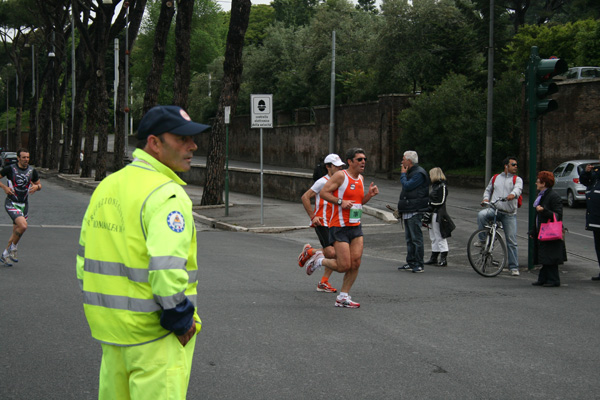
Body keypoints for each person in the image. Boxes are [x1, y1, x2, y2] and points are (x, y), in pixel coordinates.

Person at [76, 105, 209, 399]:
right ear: (154, 143)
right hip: (154, 337)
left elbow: (83, 261)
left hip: (111, 334)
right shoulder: (167, 195)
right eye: (182, 138)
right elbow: (166, 269)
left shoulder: (107, 186)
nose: (193, 146)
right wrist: (181, 319)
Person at [300, 148, 379, 308]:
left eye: (364, 159)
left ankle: (343, 296)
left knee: (355, 262)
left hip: (355, 225)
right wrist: (339, 202)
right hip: (339, 226)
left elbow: (358, 203)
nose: (363, 162)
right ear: (350, 162)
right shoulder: (340, 176)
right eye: (359, 159)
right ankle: (319, 260)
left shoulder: (361, 179)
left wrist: (369, 196)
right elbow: (323, 193)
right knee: (343, 265)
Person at [299, 153, 346, 293]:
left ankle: (311, 254)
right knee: (332, 253)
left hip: (336, 222)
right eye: (337, 167)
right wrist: (313, 216)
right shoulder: (322, 181)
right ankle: (322, 278)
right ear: (328, 167)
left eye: (341, 167)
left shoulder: (341, 181)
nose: (340, 169)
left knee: (336, 253)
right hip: (322, 221)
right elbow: (305, 197)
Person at [477, 156, 523, 276]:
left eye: (516, 165)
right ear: (506, 166)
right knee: (481, 215)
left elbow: (518, 189)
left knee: (511, 240)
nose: (516, 167)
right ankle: (482, 240)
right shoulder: (496, 178)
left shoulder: (517, 179)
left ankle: (514, 267)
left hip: (509, 213)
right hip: (495, 209)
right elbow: (488, 190)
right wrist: (485, 199)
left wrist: (513, 195)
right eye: (513, 164)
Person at [0, 148, 41, 266]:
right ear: (18, 158)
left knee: (16, 232)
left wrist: (37, 187)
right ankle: (13, 249)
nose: (26, 160)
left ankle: (5, 254)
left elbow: (39, 184)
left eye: (27, 157)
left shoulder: (32, 171)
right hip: (11, 203)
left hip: (24, 205)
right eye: (23, 157)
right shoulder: (10, 169)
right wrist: (5, 187)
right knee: (23, 226)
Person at [530, 171, 567, 287]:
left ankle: (553, 279)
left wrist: (544, 211)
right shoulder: (542, 195)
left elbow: (558, 215)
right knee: (545, 255)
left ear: (544, 183)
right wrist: (533, 230)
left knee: (550, 256)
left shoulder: (553, 196)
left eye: (538, 180)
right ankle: (543, 278)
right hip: (542, 231)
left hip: (550, 232)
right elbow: (536, 217)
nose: (536, 182)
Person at [396, 150, 430, 273]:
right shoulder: (413, 172)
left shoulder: (419, 173)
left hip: (415, 209)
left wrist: (403, 174)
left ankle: (419, 263)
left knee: (416, 238)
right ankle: (411, 262)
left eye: (403, 159)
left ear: (409, 161)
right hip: (409, 208)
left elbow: (408, 186)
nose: (402, 161)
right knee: (409, 239)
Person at [424, 167, 452, 267]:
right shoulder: (436, 186)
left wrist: (429, 204)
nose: (430, 176)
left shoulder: (442, 186)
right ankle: (434, 257)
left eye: (431, 174)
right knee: (433, 236)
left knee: (440, 236)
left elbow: (441, 201)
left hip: (438, 214)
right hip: (432, 213)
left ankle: (443, 259)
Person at [580, 160, 600, 280]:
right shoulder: (595, 173)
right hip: (595, 218)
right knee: (598, 246)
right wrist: (586, 172)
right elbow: (585, 181)